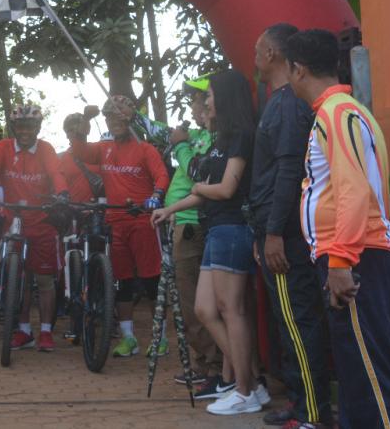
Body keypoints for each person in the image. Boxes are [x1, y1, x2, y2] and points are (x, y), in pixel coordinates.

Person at [286, 29, 390, 429]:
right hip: (360, 256)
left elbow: (352, 190)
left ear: (298, 70)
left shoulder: (336, 113)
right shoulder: (345, 110)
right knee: (357, 376)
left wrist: (340, 260)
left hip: (357, 259)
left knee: (372, 382)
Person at [151, 70, 263, 415]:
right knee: (204, 309)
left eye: (211, 94)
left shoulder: (242, 135)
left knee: (232, 310)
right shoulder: (220, 141)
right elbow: (203, 193)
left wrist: (198, 188)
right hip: (216, 229)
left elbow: (226, 189)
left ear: (226, 97)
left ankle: (246, 389)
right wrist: (171, 208)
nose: (206, 101)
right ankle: (250, 383)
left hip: (233, 230)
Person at [249, 24, 332, 428]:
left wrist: (274, 233)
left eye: (258, 50)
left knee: (298, 323)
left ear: (274, 55)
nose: (254, 58)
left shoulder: (286, 106)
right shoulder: (280, 103)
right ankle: (303, 404)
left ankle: (312, 413)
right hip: (277, 230)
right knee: (291, 321)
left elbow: (287, 173)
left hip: (286, 236)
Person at [74, 95, 170, 358]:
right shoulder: (104, 147)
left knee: (152, 281)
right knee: (122, 282)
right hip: (115, 222)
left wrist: (155, 196)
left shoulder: (145, 148)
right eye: (109, 117)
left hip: (142, 220)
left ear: (130, 119)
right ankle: (128, 338)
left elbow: (161, 175)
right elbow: (80, 150)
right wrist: (84, 122)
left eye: (119, 116)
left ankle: (160, 336)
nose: (114, 121)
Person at [0, 103, 70, 353]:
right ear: (14, 127)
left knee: (45, 280)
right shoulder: (3, 147)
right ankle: (24, 331)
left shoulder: (46, 149)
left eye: (29, 126)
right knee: (21, 278)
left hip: (42, 220)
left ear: (37, 128)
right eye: (20, 126)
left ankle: (46, 331)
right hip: (12, 219)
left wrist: (62, 193)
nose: (24, 131)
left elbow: (56, 173)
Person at [163, 77, 223, 387]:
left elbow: (197, 172)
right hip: (184, 223)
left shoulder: (211, 138)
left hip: (193, 226)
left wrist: (181, 145)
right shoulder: (200, 135)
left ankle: (213, 369)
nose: (195, 107)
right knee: (191, 303)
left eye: (199, 99)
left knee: (194, 303)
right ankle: (206, 366)